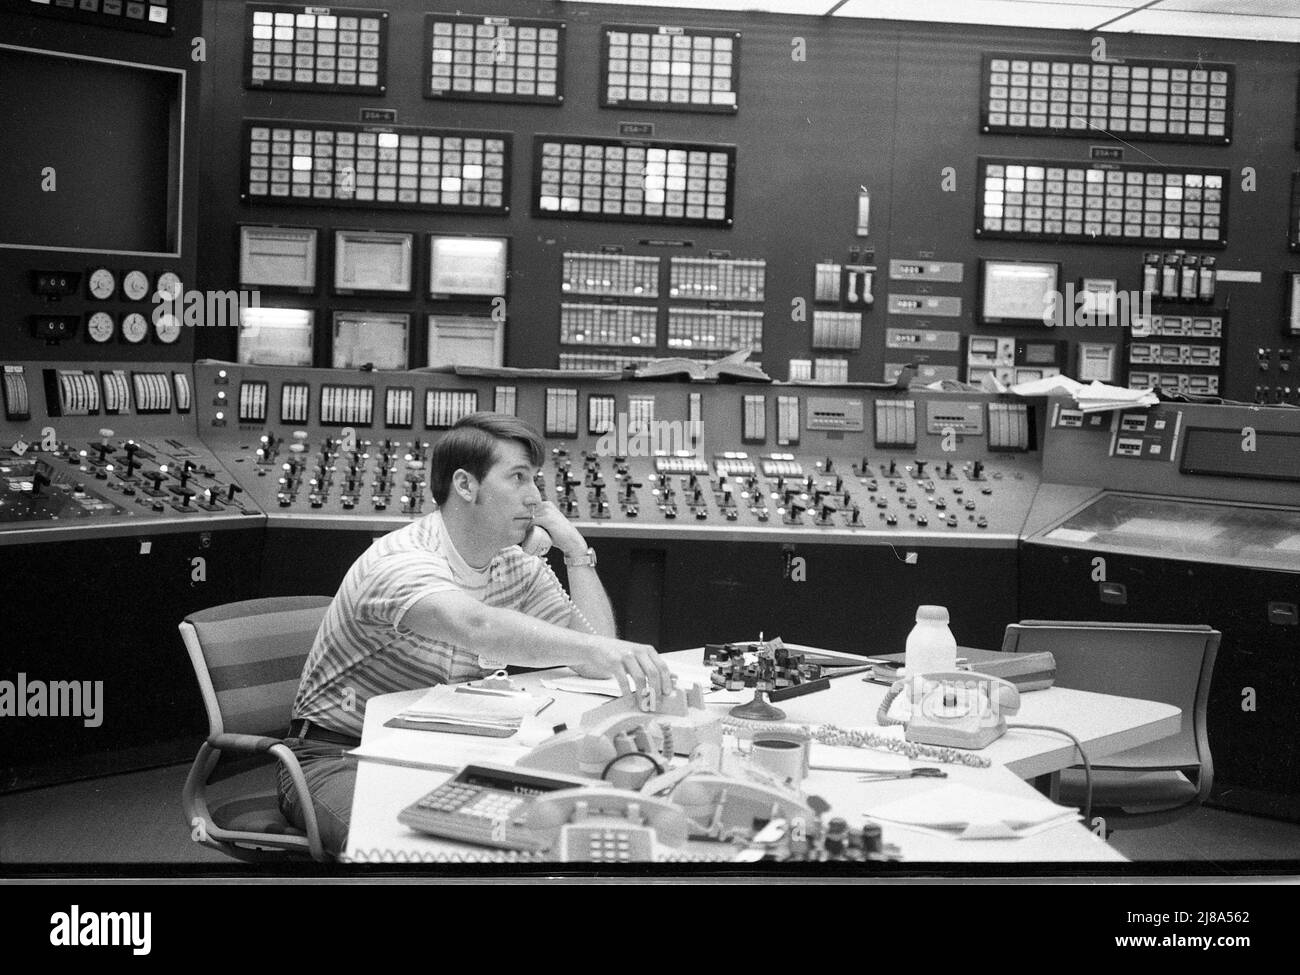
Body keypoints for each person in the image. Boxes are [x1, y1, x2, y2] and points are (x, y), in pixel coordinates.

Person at [277, 412, 674, 855]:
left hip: (442, 751)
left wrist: (577, 552)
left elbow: (594, 661)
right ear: (466, 486)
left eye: (535, 480)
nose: (536, 498)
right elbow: (476, 626)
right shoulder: (399, 560)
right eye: (519, 478)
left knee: (538, 832)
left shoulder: (515, 566)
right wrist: (602, 648)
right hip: (340, 757)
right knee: (415, 856)